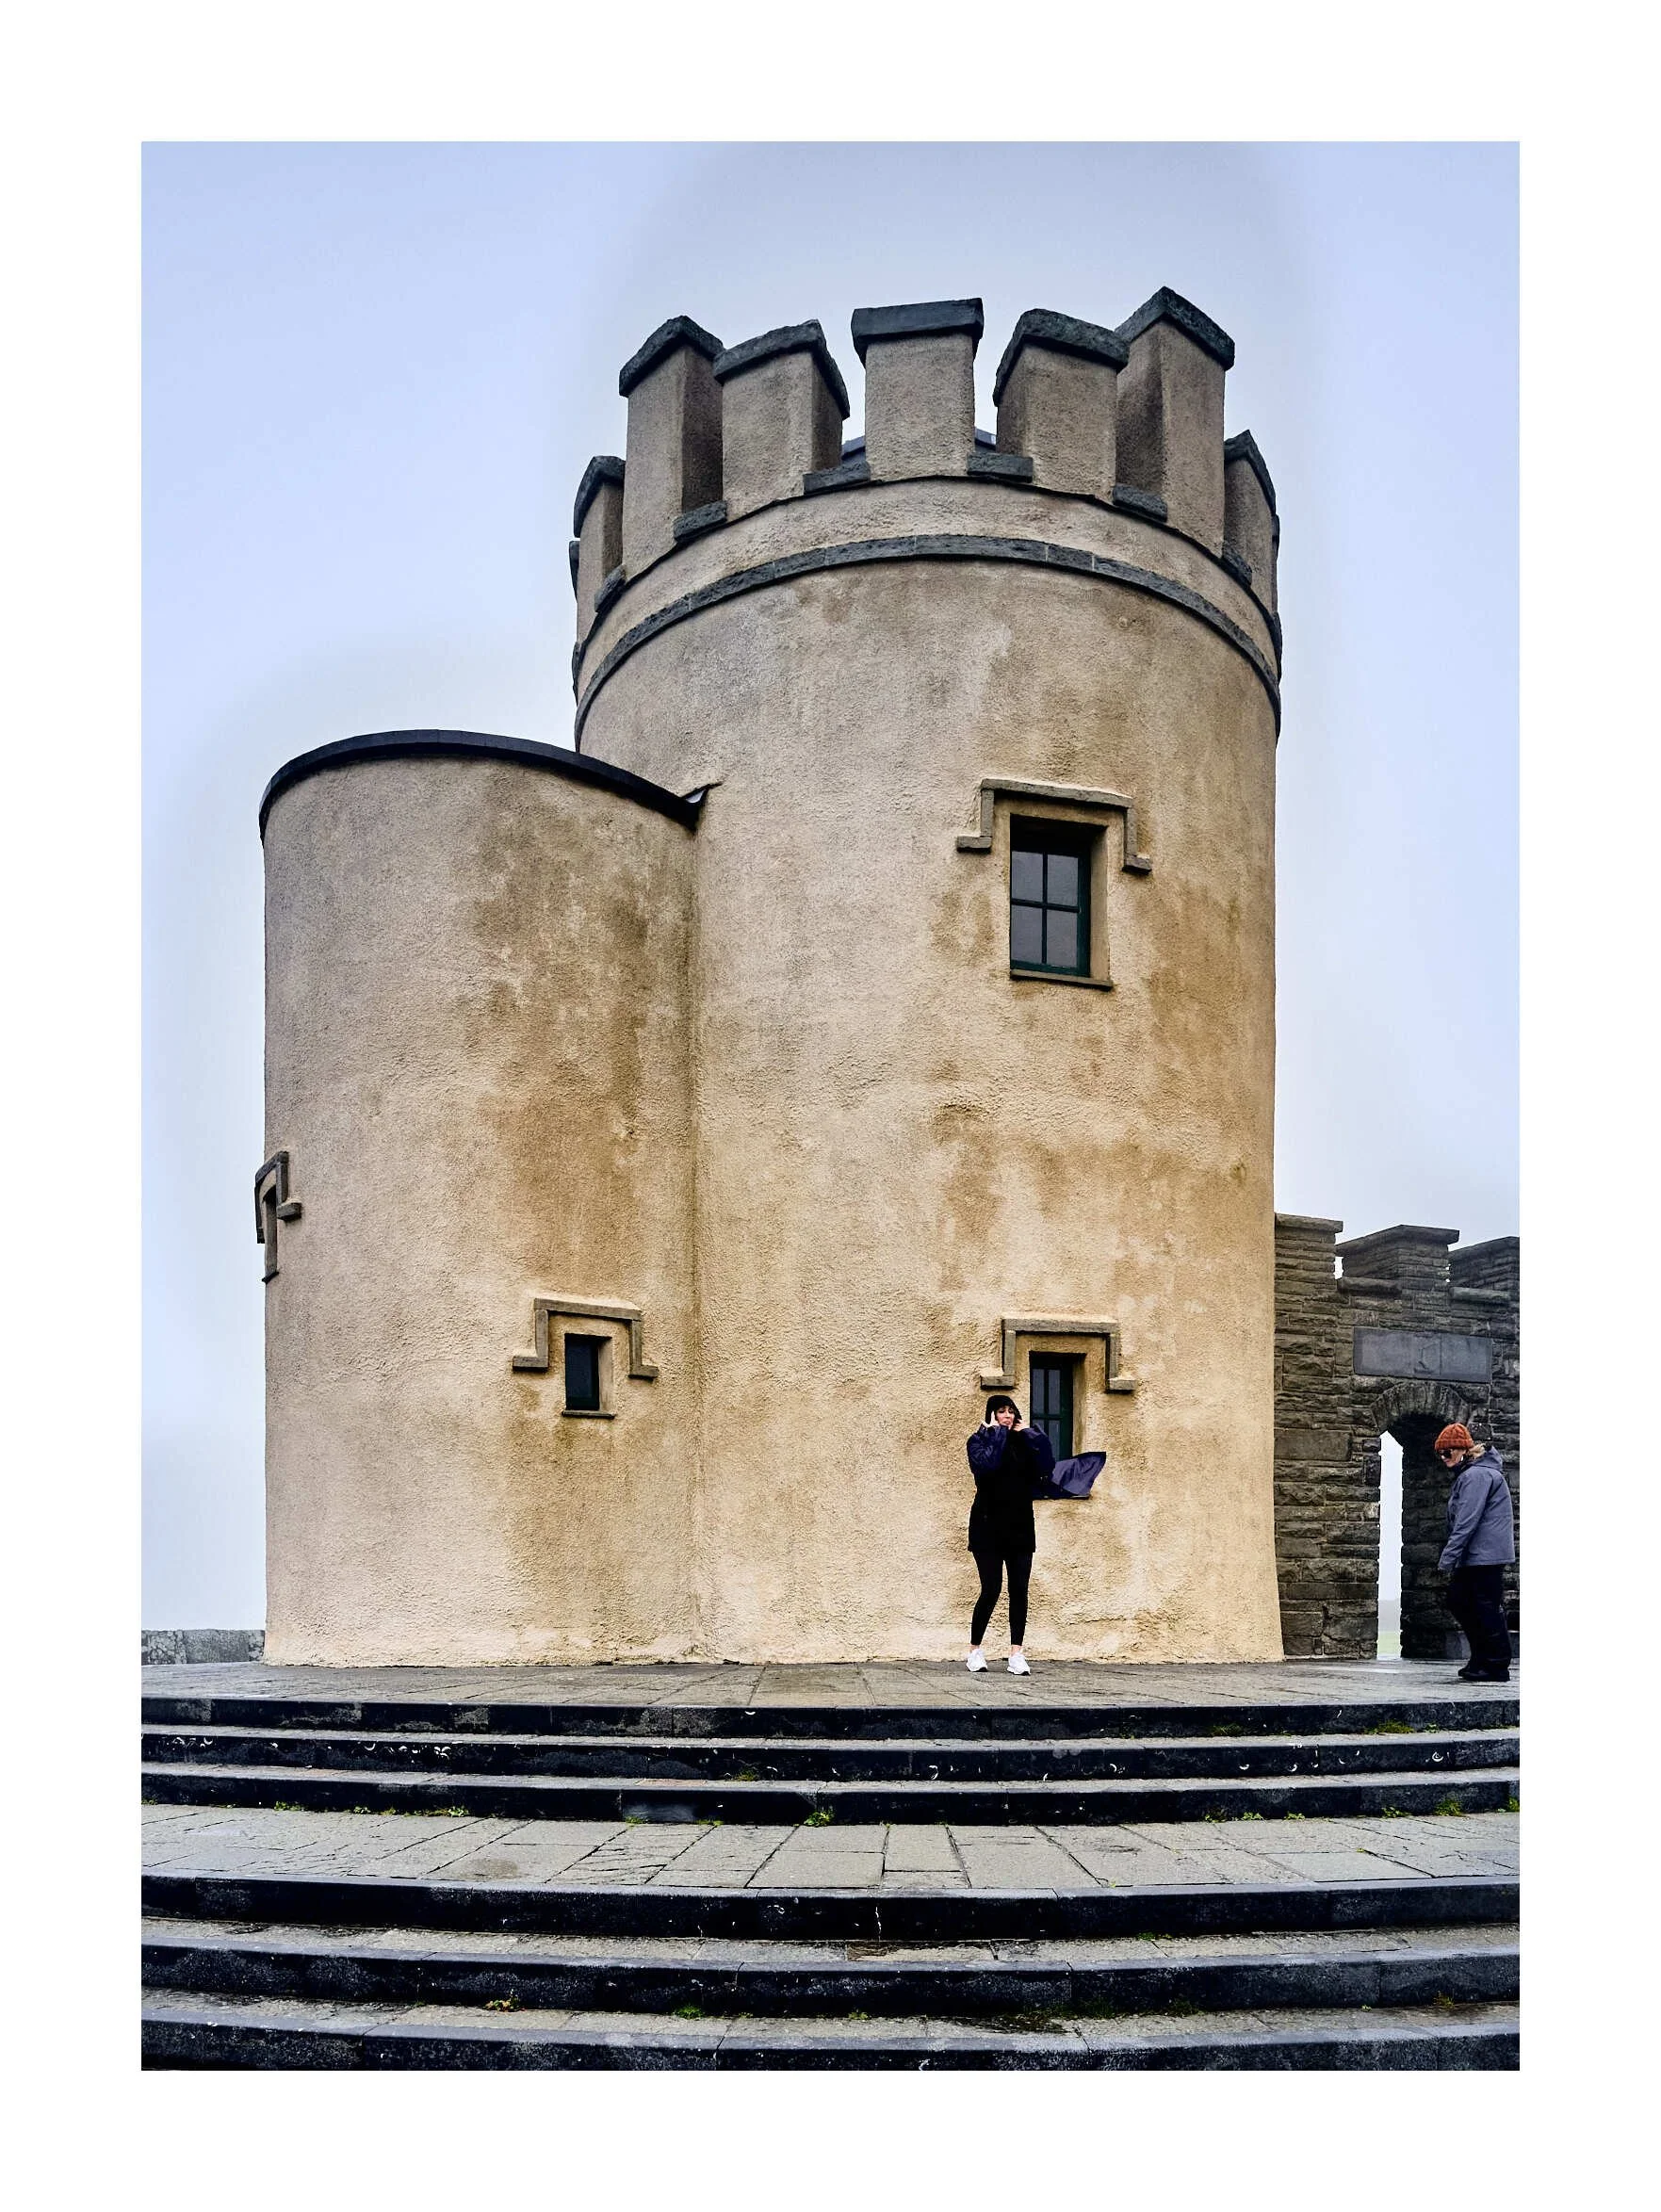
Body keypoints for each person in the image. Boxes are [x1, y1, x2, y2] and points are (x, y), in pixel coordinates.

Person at [964, 1395, 1052, 1675]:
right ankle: (974, 1651)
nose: (1007, 1415)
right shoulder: (977, 1441)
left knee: (1019, 1590)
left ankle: (1016, 1654)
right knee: (991, 1589)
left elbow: (1047, 1464)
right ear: (991, 1415)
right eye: (1001, 1411)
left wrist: (1028, 1433)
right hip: (987, 1525)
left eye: (1011, 1411)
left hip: (1020, 1525)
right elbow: (987, 1467)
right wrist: (997, 1433)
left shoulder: (1024, 1442)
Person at [1434, 1423, 1516, 1683]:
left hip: (1483, 1556)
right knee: (1468, 1602)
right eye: (1441, 1453)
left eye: (1448, 1452)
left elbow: (1466, 1521)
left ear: (1462, 1450)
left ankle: (1495, 1664)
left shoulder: (1475, 1476)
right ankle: (1483, 1660)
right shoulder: (1474, 1473)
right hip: (1480, 1555)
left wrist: (1448, 1559)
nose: (1444, 1457)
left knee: (1482, 1605)